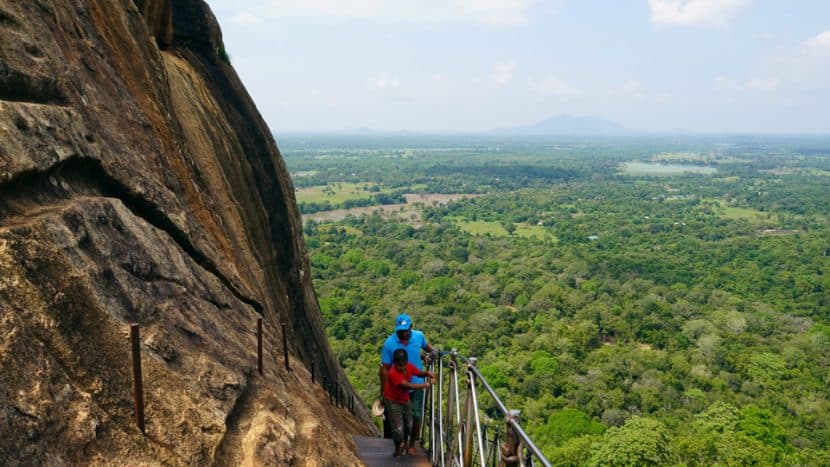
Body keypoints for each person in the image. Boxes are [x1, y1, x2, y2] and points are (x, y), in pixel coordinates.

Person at [379, 313, 436, 454]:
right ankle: (401, 443)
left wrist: (434, 354)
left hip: (415, 383)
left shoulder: (418, 336)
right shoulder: (389, 343)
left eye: (406, 330)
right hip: (397, 388)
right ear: (397, 329)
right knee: (399, 419)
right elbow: (385, 368)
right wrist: (385, 389)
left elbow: (430, 348)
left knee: (416, 416)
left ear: (411, 327)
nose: (404, 333)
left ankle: (411, 444)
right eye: (401, 331)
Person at [384, 348, 434, 457]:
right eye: (399, 366)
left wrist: (427, 373)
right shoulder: (393, 373)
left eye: (404, 365)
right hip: (393, 400)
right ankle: (398, 448)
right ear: (395, 363)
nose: (402, 368)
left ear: (406, 362)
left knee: (409, 424)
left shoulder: (409, 366)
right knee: (398, 428)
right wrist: (427, 384)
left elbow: (418, 373)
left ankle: (405, 443)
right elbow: (409, 385)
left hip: (404, 399)